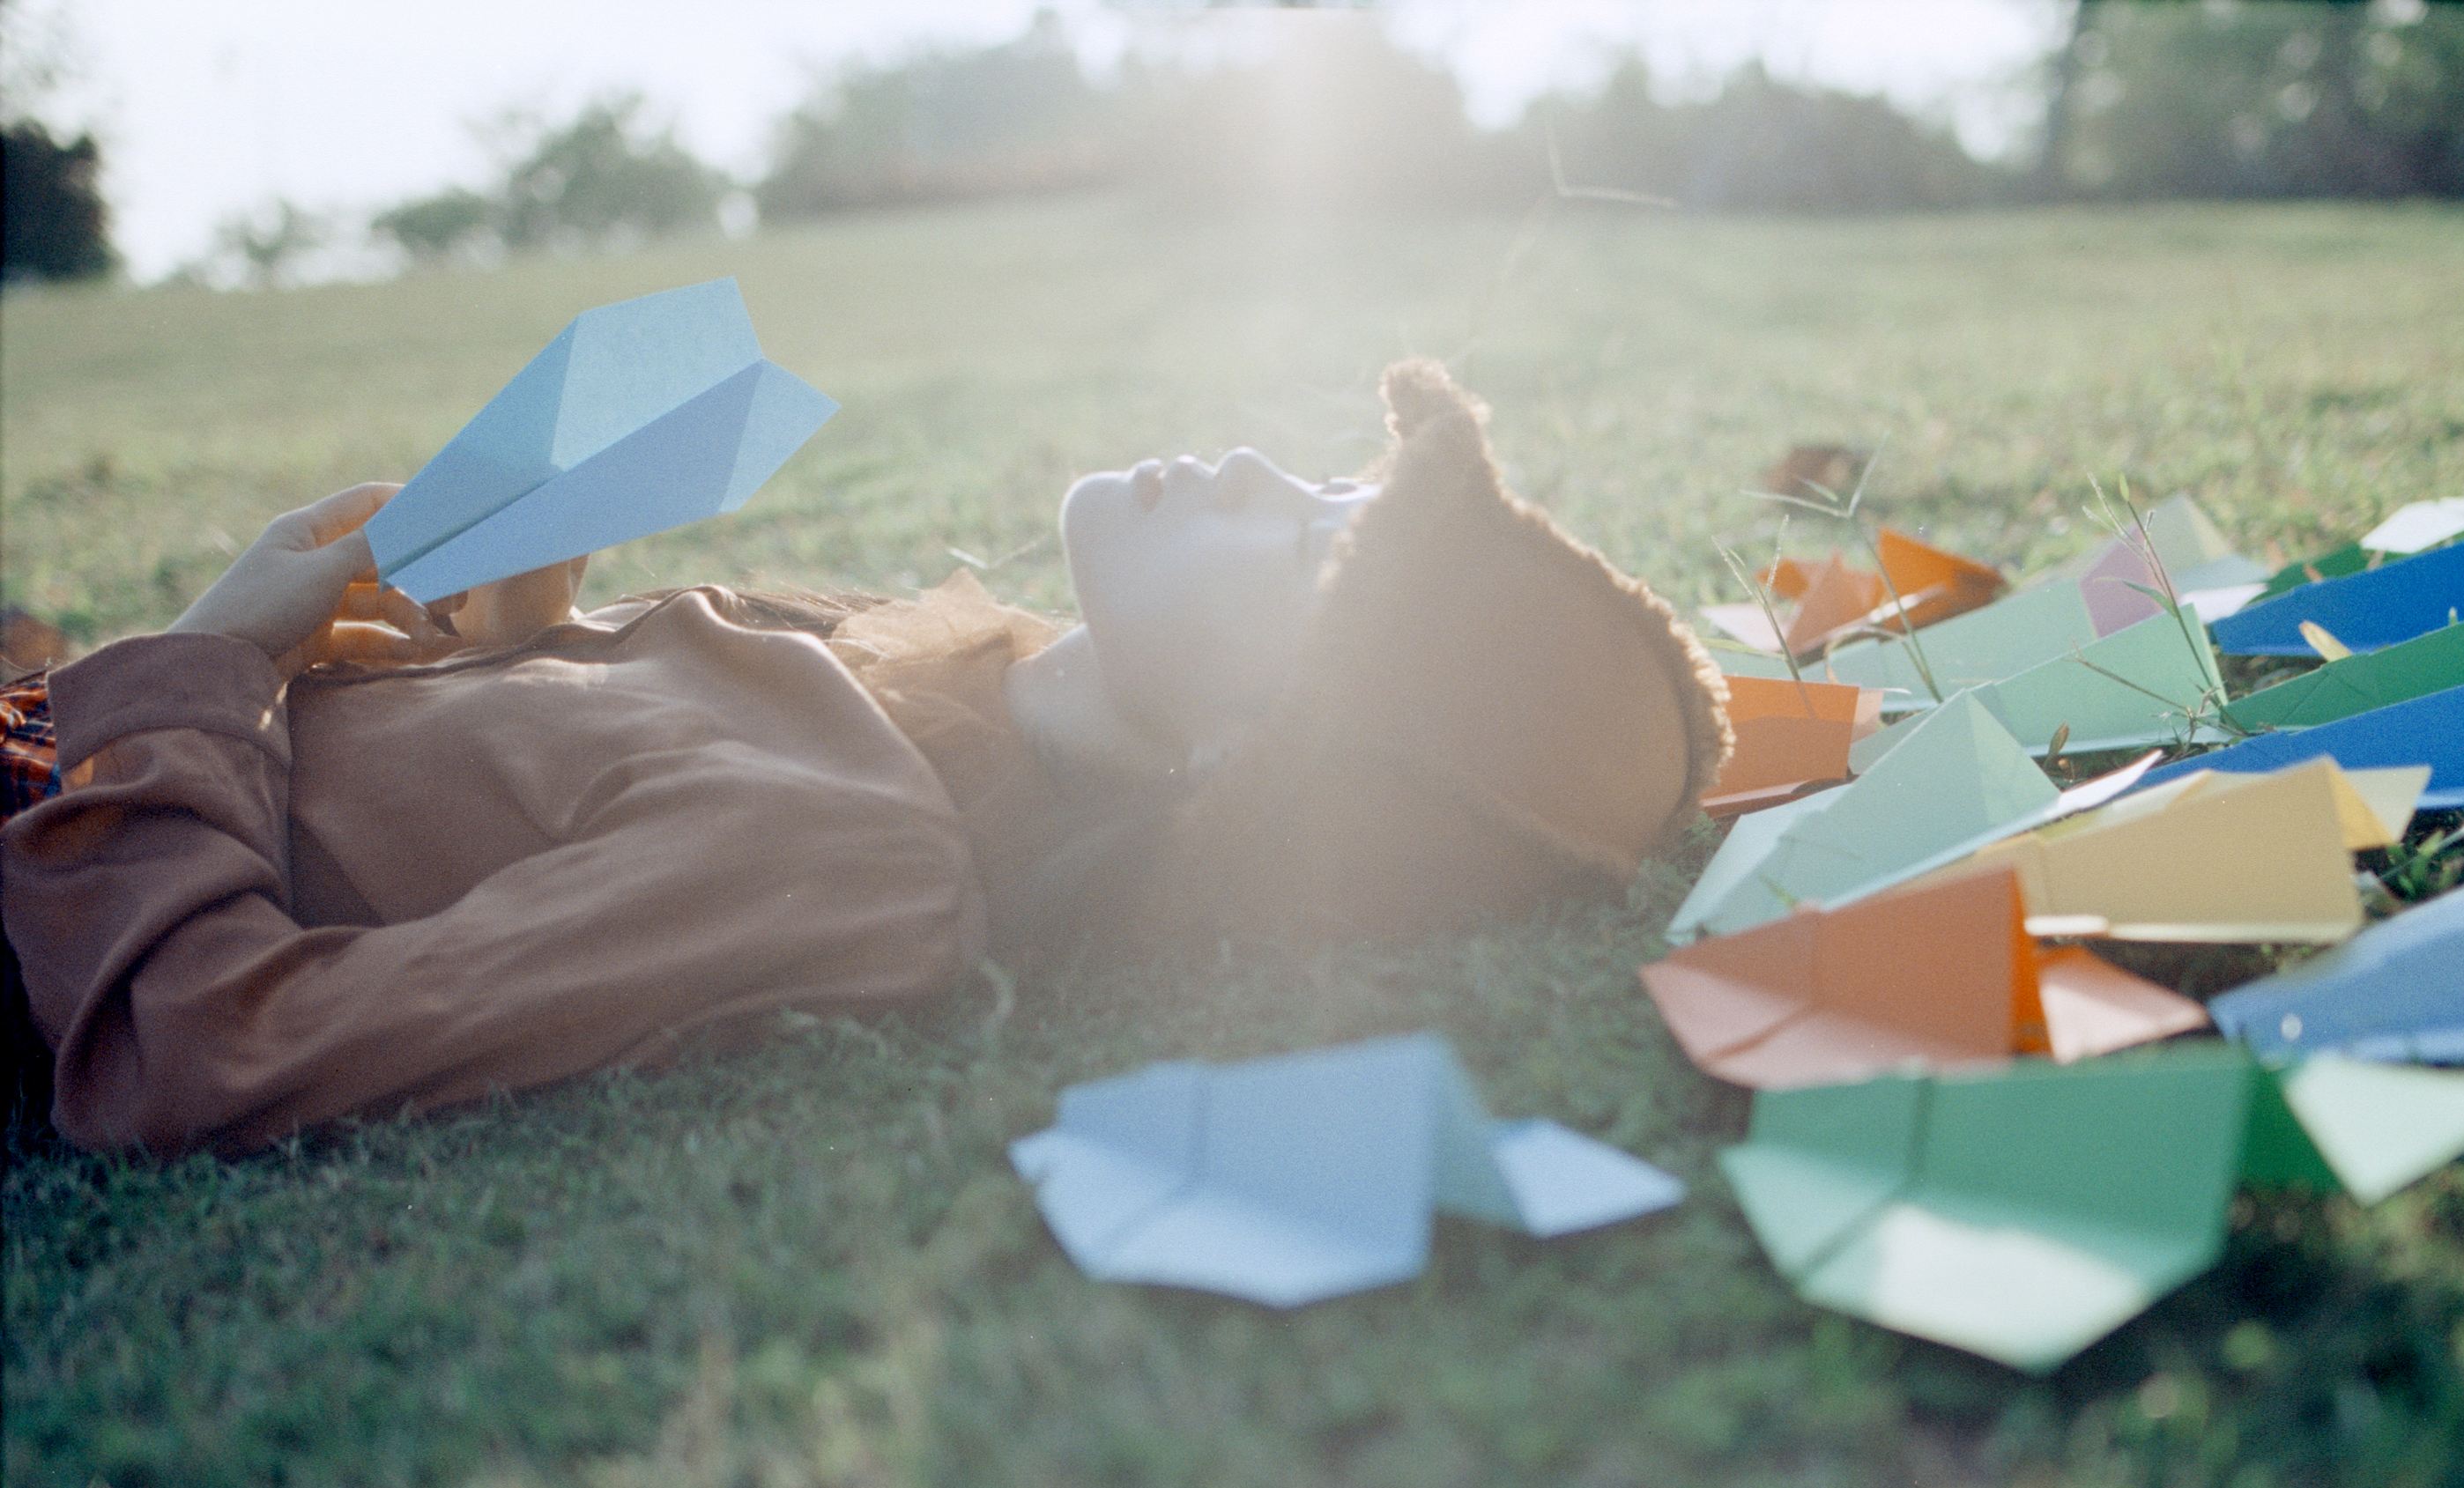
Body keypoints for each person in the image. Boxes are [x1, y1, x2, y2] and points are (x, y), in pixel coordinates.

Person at [1, 360, 1730, 1156]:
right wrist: (503, 633)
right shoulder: (927, 659)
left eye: (1304, 555)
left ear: (1255, 752)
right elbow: (510, 796)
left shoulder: (847, 865)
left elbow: (206, 1051)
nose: (1247, 469)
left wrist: (213, 663)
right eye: (1326, 481)